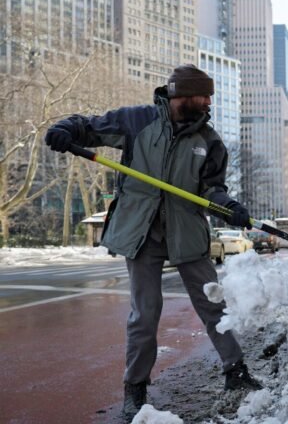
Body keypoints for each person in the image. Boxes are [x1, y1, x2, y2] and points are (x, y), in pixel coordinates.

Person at [44, 64, 261, 421]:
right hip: (142, 232)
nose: (209, 102)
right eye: (204, 96)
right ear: (182, 96)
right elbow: (90, 126)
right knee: (144, 315)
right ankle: (136, 389)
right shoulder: (136, 121)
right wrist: (65, 128)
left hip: (187, 232)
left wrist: (230, 208)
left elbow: (212, 191)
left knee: (213, 306)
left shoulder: (209, 141)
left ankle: (236, 372)